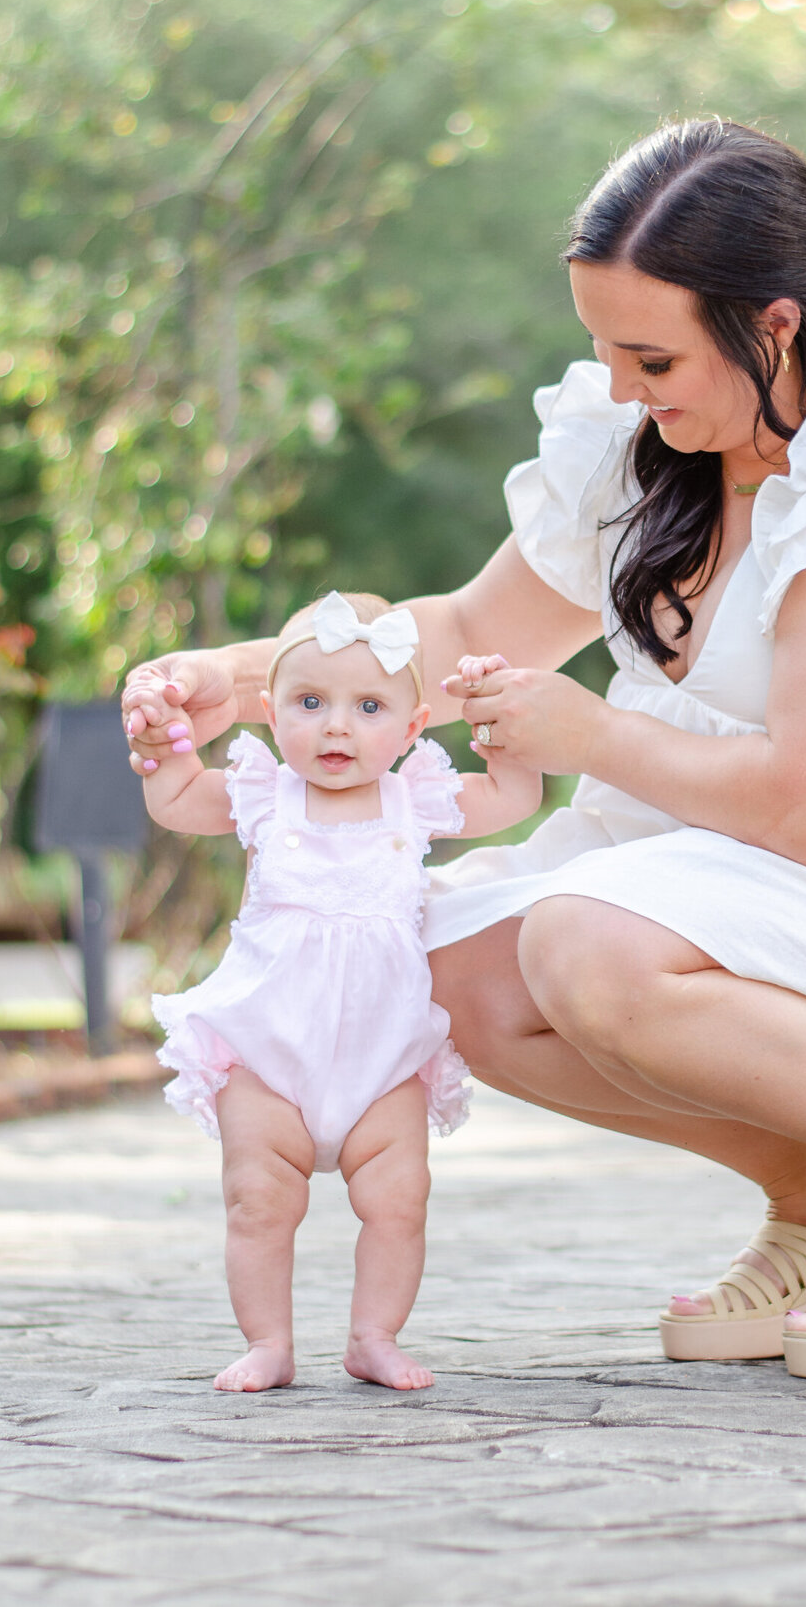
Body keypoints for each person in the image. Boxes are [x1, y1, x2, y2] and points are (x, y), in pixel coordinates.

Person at [124, 118, 806, 1385]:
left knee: (587, 944)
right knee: (439, 961)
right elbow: (463, 631)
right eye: (602, 348)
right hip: (752, 849)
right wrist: (230, 684)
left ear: (772, 324)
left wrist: (590, 735)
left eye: (651, 353)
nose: (623, 385)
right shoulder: (660, 443)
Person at [136, 589, 540, 1393]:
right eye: (311, 702)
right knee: (258, 1200)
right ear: (269, 710)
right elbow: (178, 800)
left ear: (415, 725)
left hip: (381, 1060)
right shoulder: (263, 794)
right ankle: (269, 1344)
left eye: (368, 706)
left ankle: (373, 1335)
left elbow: (513, 799)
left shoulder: (413, 799)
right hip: (268, 1052)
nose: (337, 727)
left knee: (400, 1199)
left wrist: (506, 728)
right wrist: (165, 742)